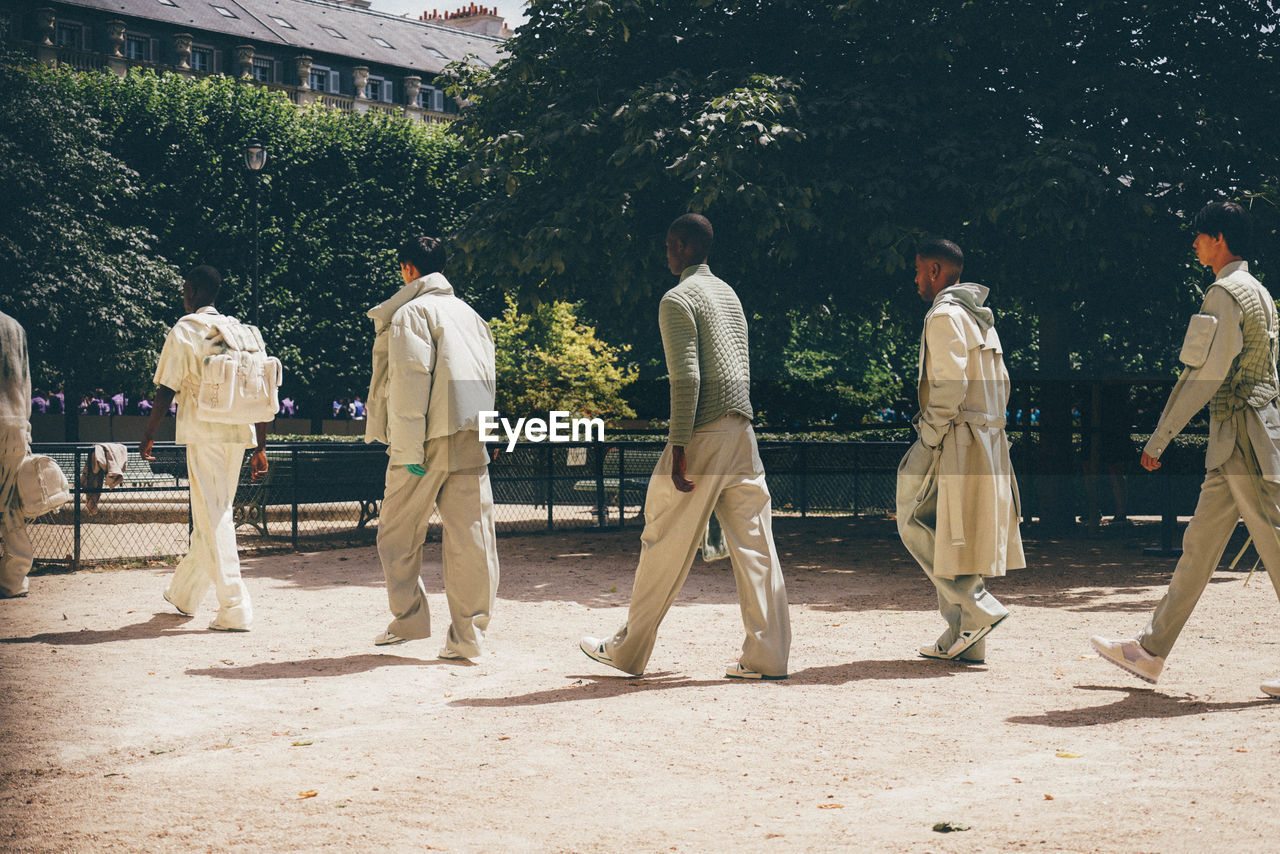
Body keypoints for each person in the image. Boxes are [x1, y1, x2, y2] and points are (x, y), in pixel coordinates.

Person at [579, 213, 792, 679]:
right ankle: (769, 655)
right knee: (757, 546)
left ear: (682, 246)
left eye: (670, 245)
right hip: (742, 430)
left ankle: (627, 650)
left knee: (663, 540)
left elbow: (687, 377)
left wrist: (678, 448)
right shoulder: (728, 294)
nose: (666, 253)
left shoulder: (677, 299)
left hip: (705, 433)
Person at [1092, 201, 1280, 697]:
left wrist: (1159, 438)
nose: (1193, 243)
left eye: (1199, 236)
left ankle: (1150, 650)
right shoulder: (1259, 292)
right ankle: (1150, 652)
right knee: (1198, 549)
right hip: (1246, 438)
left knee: (1276, 547)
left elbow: (1203, 374)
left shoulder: (1224, 293)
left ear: (1219, 238)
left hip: (1242, 439)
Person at [364, 236, 500, 660]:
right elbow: (487, 381)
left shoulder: (411, 313)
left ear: (408, 269)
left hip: (424, 441)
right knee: (472, 540)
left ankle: (409, 618)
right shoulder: (472, 316)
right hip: (470, 434)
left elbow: (409, 385)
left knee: (395, 536)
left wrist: (407, 454)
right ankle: (468, 638)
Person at [896, 237, 1024, 663]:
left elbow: (950, 387)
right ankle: (966, 636)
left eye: (918, 270)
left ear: (935, 270)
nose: (914, 279)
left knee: (911, 519)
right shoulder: (981, 319)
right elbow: (1001, 384)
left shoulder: (944, 316)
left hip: (953, 438)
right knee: (957, 534)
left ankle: (978, 607)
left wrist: (929, 435)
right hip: (986, 439)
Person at [139, 265, 268, 631]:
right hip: (239, 433)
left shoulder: (185, 330)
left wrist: (149, 433)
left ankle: (234, 605)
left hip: (204, 431)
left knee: (214, 516)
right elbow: (262, 391)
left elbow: (166, 388)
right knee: (215, 512)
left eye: (185, 289)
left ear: (193, 291)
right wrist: (260, 446)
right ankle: (184, 594)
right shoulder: (241, 332)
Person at [0, 311, 34, 598]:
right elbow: (25, 382)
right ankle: (15, 579)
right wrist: (26, 429)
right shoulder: (14, 327)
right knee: (10, 504)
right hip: (14, 424)